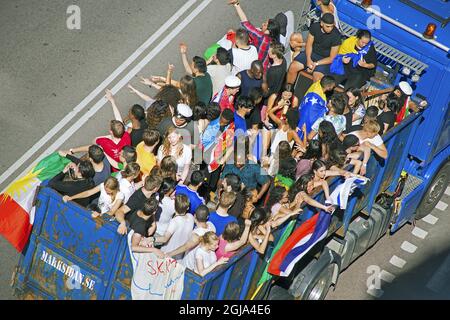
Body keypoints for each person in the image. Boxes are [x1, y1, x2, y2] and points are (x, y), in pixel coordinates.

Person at [287, 13, 341, 83]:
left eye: (332, 26)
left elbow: (332, 58)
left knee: (317, 78)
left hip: (324, 59)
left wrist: (316, 64)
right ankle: (288, 90)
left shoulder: (336, 35)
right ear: (321, 23)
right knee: (293, 67)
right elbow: (309, 45)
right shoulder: (315, 27)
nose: (330, 29)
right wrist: (309, 59)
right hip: (312, 53)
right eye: (328, 26)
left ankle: (312, 93)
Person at [228, 0, 281, 72]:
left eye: (265, 24)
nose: (262, 24)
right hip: (264, 68)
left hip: (253, 67)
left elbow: (246, 23)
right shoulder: (276, 40)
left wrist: (236, 4)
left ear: (268, 31)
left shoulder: (262, 38)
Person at [220, 136, 271, 203]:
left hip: (247, 199)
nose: (237, 163)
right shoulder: (230, 164)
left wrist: (258, 197)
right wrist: (220, 187)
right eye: (236, 161)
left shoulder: (255, 167)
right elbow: (221, 179)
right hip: (231, 197)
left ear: (246, 159)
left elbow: (267, 182)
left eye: (240, 161)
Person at [155, 194, 195, 260]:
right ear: (187, 208)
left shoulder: (174, 221)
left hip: (166, 253)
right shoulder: (191, 217)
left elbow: (165, 239)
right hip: (179, 256)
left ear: (174, 206)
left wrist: (152, 239)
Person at [297, 75, 336, 140]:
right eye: (333, 86)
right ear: (328, 87)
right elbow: (313, 115)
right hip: (305, 122)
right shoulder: (316, 99)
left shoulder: (317, 84)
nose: (333, 87)